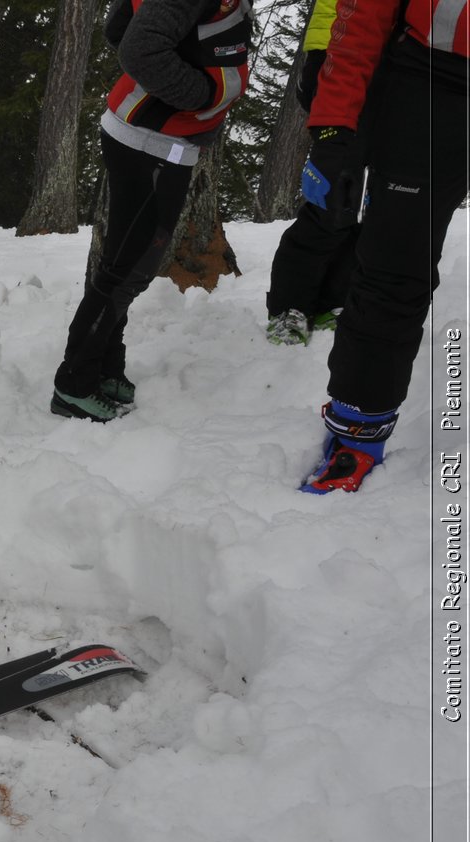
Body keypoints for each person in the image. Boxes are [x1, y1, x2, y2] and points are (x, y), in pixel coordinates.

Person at [50, 0, 255, 422]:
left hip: (163, 142)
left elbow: (121, 22)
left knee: (130, 264)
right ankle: (73, 384)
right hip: (148, 141)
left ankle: (104, 368)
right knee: (128, 267)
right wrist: (198, 98)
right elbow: (136, 46)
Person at [299, 0, 467, 492]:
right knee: (396, 266)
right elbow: (358, 25)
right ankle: (357, 434)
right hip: (433, 88)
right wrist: (334, 133)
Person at [264, 0, 361, 347]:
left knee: (358, 205)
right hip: (335, 59)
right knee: (328, 204)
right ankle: (288, 308)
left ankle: (331, 299)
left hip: (389, 70)